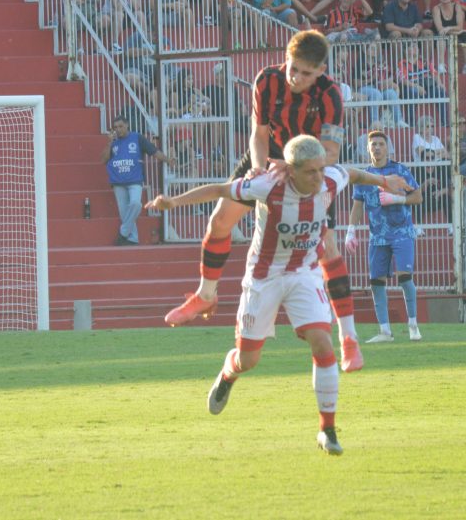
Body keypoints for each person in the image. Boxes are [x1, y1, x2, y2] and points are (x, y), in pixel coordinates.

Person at [146, 135, 408, 455]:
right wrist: (173, 202)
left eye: (320, 169)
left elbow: (352, 173)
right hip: (263, 278)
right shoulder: (266, 185)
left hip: (303, 273)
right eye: (310, 172)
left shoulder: (329, 178)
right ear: (292, 171)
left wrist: (384, 180)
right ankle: (228, 372)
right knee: (248, 359)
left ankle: (327, 430)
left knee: (322, 342)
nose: (318, 177)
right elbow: (219, 190)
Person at [162, 32, 405, 375]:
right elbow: (259, 134)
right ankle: (206, 294)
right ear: (286, 59)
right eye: (293, 68)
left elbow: (330, 153)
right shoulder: (266, 80)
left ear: (320, 71)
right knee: (220, 220)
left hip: (310, 167)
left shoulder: (331, 95)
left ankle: (349, 338)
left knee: (328, 248)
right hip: (269, 158)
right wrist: (258, 169)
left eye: (306, 73)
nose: (296, 77)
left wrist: (294, 167)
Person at [345, 131, 423, 343]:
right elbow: (358, 205)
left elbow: (417, 196)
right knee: (376, 282)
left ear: (388, 148)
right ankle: (385, 331)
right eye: (373, 144)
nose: (377, 147)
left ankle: (413, 325)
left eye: (381, 144)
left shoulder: (399, 170)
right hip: (377, 236)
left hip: (402, 232)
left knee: (404, 277)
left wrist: (397, 199)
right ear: (368, 148)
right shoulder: (363, 176)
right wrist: (350, 230)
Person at [103, 115, 174, 246]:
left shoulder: (137, 138)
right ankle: (132, 239)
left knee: (136, 204)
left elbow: (153, 151)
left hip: (135, 180)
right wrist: (110, 143)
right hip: (117, 182)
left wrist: (168, 160)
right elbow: (104, 159)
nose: (118, 129)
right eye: (115, 127)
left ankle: (123, 233)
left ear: (127, 125)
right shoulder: (113, 142)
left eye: (121, 126)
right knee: (124, 213)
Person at [433, 0, 466, 70]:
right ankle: (441, 65)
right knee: (441, 37)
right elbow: (440, 29)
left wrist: (449, 28)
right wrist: (457, 32)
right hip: (440, 34)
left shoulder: (457, 7)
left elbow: (460, 27)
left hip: (452, 32)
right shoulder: (436, 8)